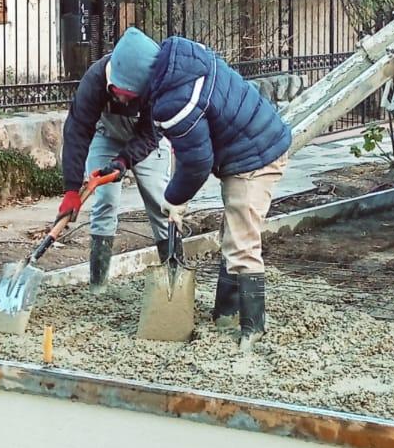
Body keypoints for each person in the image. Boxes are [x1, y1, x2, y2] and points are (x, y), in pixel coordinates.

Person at [104, 26, 292, 345]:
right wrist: (179, 198)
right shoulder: (180, 64)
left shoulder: (174, 101)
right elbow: (187, 143)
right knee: (231, 237)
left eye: (118, 88)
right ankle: (225, 315)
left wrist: (174, 198)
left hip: (255, 158)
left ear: (135, 83)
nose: (117, 96)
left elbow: (197, 164)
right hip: (252, 143)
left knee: (241, 243)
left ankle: (251, 332)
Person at [59, 47, 170, 286]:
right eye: (124, 95)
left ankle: (174, 276)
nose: (128, 101)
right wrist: (71, 189)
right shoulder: (95, 80)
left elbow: (149, 136)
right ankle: (98, 285)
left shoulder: (155, 82)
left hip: (147, 141)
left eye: (133, 96)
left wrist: (123, 161)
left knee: (161, 206)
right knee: (105, 202)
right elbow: (77, 131)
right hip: (107, 135)